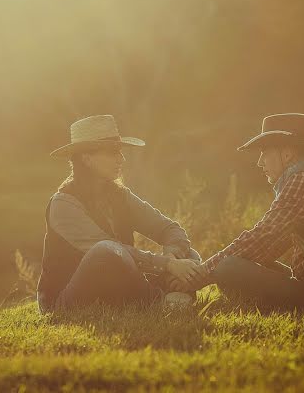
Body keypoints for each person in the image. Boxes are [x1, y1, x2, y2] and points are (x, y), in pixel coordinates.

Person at [188, 113, 304, 311]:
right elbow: (270, 245)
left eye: (264, 152)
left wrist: (200, 274)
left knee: (228, 268)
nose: (259, 162)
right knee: (236, 262)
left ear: (287, 154)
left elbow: (261, 237)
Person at [36, 114, 206, 313]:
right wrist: (167, 265)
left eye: (120, 151)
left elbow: (169, 228)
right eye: (112, 152)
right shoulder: (63, 204)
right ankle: (161, 302)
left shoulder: (119, 195)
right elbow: (113, 252)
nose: (121, 158)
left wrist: (173, 254)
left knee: (188, 254)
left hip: (115, 287)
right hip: (65, 300)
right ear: (87, 158)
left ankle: (171, 297)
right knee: (105, 250)